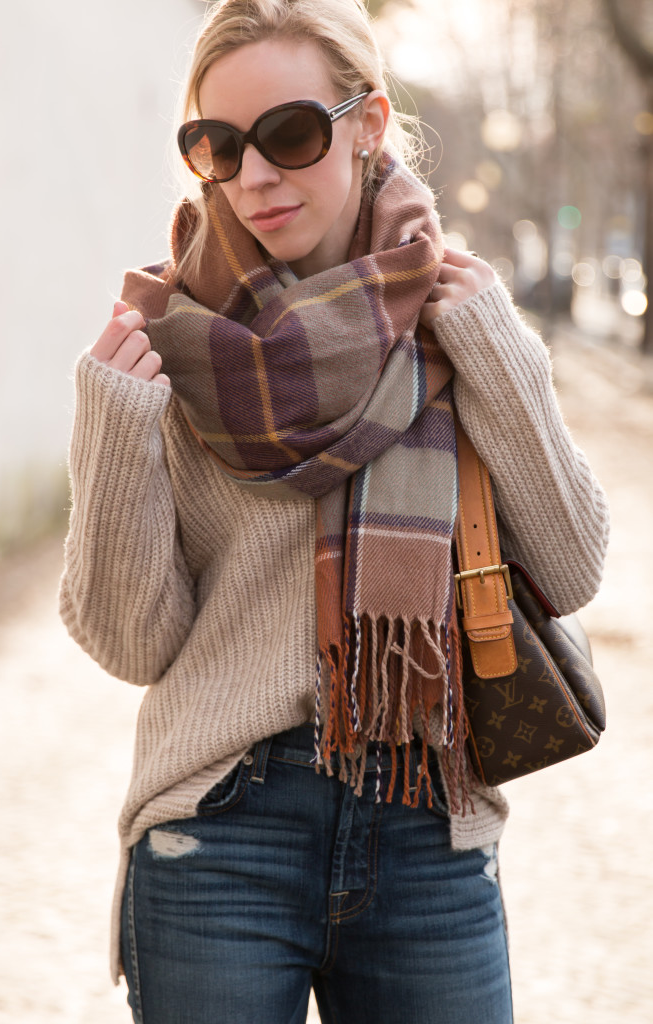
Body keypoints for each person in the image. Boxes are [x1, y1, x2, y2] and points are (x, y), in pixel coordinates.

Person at [59, 1, 609, 1021]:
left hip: (426, 824)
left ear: (367, 123)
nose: (255, 173)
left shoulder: (458, 314)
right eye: (217, 146)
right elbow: (133, 641)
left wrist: (492, 347)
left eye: (291, 134)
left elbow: (572, 567)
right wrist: (115, 425)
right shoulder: (170, 339)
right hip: (218, 833)